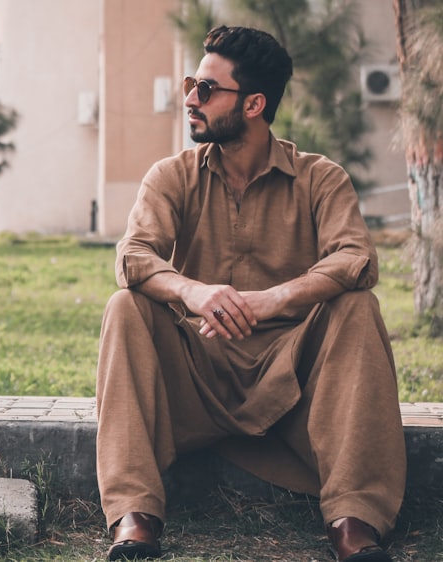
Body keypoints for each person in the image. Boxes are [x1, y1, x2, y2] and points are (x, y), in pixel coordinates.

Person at [95, 25, 405, 561]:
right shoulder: (171, 176)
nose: (191, 98)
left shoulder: (320, 179)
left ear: (255, 104)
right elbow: (134, 256)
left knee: (357, 307)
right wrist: (192, 292)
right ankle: (135, 516)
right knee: (126, 306)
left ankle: (354, 521)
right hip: (198, 376)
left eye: (208, 90)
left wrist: (272, 299)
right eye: (193, 83)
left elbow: (356, 259)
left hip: (294, 385)